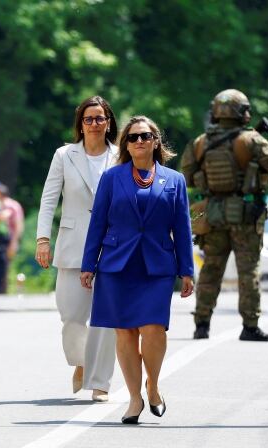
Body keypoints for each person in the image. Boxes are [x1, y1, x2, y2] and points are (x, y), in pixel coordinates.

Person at [80, 115, 194, 424]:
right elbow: (98, 222)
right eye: (132, 137)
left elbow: (182, 228)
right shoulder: (111, 178)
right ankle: (133, 398)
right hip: (117, 264)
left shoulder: (174, 180)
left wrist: (187, 269)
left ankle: (153, 385)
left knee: (154, 328)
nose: (139, 141)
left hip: (157, 266)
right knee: (125, 332)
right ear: (125, 145)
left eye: (145, 136)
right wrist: (89, 264)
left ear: (156, 141)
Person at [180, 89, 268, 341]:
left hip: (213, 214)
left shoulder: (200, 142)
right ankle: (250, 326)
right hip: (245, 215)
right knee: (248, 271)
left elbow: (185, 174)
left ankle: (201, 324)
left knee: (211, 269)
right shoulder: (251, 140)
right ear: (241, 112)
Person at [36, 95, 119, 402]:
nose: (94, 124)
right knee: (70, 315)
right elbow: (48, 200)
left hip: (112, 247)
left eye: (100, 118)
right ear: (80, 125)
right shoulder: (64, 155)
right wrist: (42, 239)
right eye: (88, 119)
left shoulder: (121, 155)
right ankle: (82, 361)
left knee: (106, 319)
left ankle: (101, 382)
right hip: (73, 245)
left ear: (108, 123)